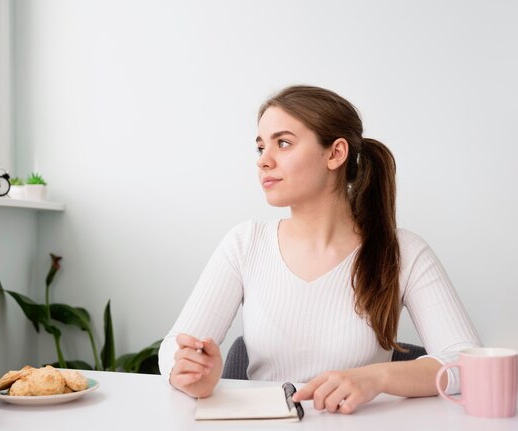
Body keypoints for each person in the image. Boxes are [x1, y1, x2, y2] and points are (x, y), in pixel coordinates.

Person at [158, 85, 480, 414]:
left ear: (335, 154)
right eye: (260, 148)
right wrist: (188, 373)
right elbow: (173, 346)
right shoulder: (245, 243)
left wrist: (376, 378)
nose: (264, 162)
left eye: (282, 143)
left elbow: (469, 365)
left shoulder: (403, 251)